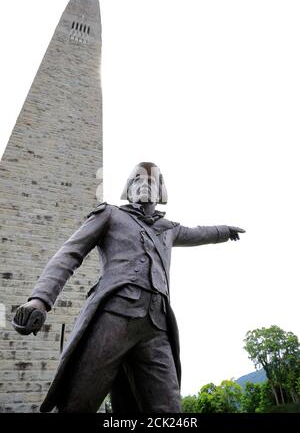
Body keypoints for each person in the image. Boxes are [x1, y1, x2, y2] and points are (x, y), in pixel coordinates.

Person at [13, 162, 245, 412]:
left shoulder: (169, 230)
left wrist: (224, 230)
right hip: (112, 318)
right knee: (77, 403)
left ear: (160, 193)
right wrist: (40, 299)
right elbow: (69, 254)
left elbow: (200, 233)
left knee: (168, 410)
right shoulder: (110, 215)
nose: (144, 185)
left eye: (151, 181)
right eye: (137, 180)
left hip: (156, 327)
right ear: (128, 189)